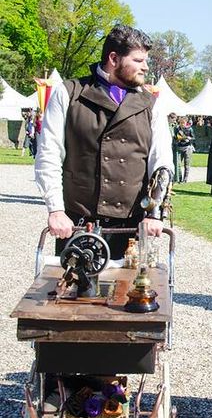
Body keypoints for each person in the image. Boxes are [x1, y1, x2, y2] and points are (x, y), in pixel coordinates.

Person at [35, 25, 174, 259]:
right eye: (138, 60)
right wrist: (56, 209)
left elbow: (161, 161)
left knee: (131, 294)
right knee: (72, 293)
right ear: (113, 58)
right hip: (77, 223)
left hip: (131, 226)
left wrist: (154, 212)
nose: (146, 67)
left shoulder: (151, 103)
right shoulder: (69, 93)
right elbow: (48, 154)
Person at [175, 115, 195, 183]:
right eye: (180, 123)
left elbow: (193, 138)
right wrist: (178, 139)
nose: (182, 124)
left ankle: (185, 179)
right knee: (178, 164)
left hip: (188, 148)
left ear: (186, 122)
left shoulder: (190, 129)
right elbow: (175, 137)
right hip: (179, 147)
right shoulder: (177, 129)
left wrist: (189, 138)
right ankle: (179, 178)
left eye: (183, 123)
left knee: (187, 164)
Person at [168, 112, 180, 183]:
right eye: (173, 119)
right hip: (167, 147)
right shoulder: (165, 125)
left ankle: (175, 179)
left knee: (175, 162)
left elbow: (177, 135)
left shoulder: (175, 126)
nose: (174, 121)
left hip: (173, 146)